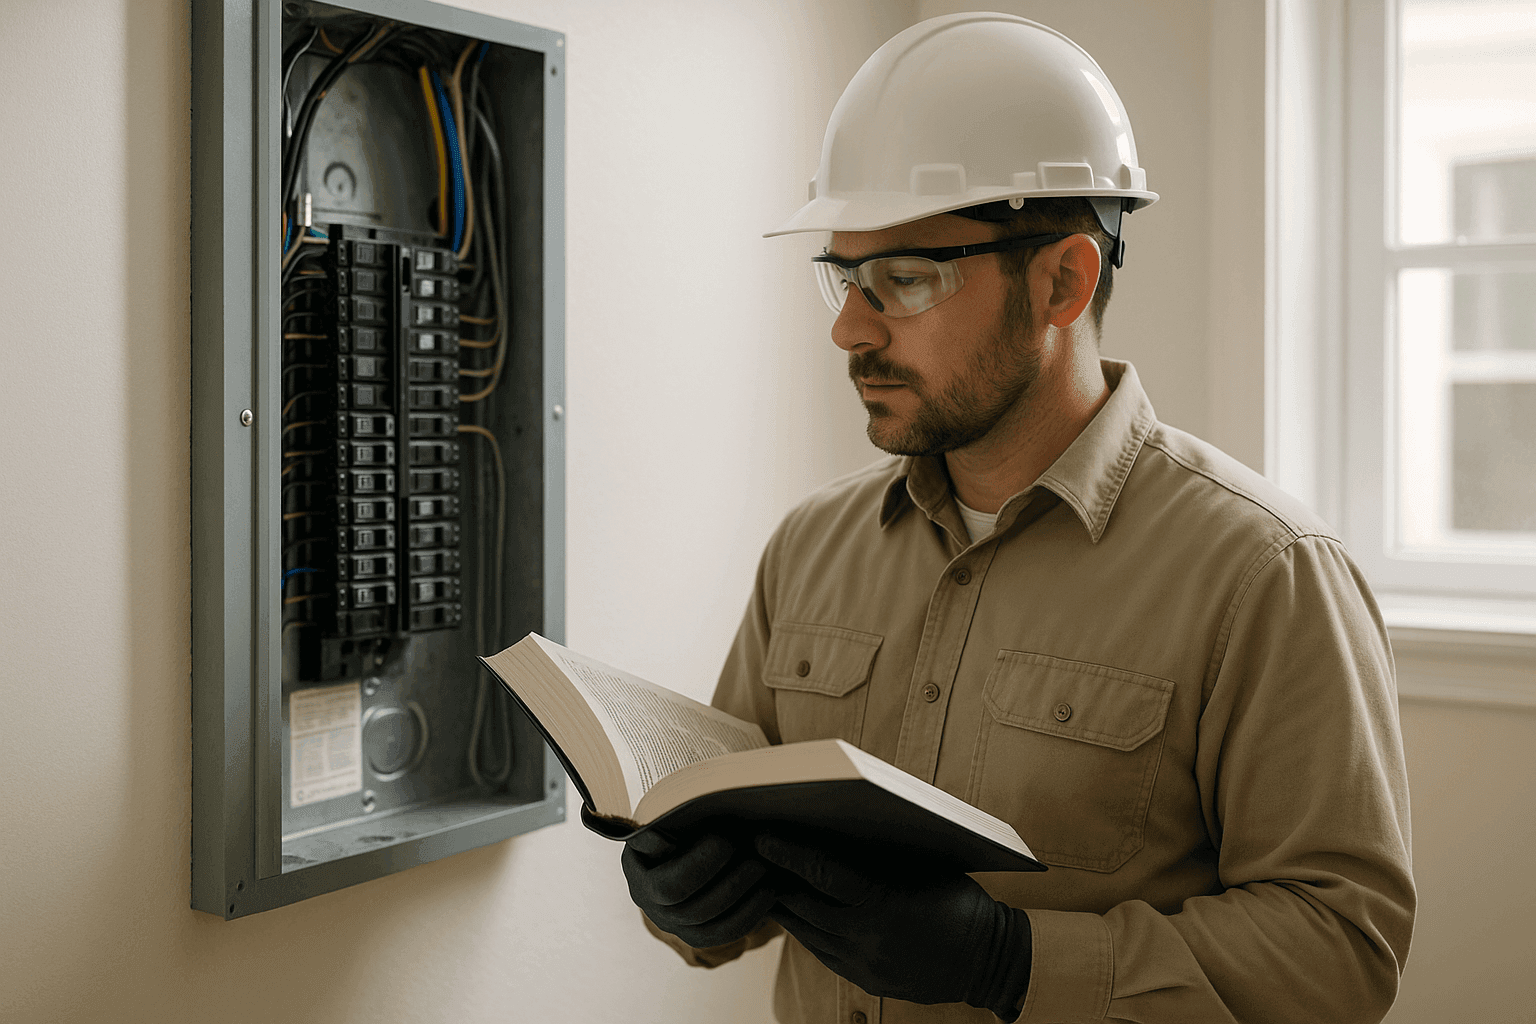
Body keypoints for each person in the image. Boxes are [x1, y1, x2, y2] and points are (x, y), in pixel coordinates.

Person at [622, 12, 1415, 1023]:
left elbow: (1339, 954)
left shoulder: (1265, 571)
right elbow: (737, 855)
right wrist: (687, 901)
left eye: (905, 279)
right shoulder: (810, 549)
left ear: (1062, 281)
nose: (849, 328)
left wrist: (1012, 960)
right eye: (845, 277)